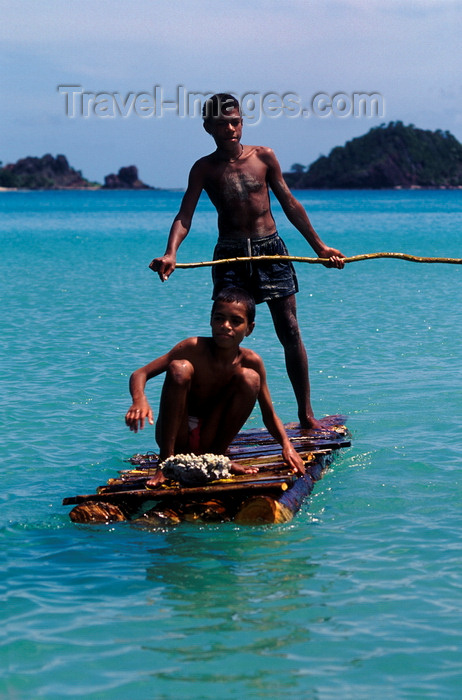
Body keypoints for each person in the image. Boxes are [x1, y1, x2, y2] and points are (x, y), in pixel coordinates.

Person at [150, 93, 345, 431]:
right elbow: (185, 215)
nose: (231, 128)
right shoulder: (204, 168)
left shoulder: (264, 157)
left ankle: (305, 415)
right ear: (208, 127)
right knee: (225, 339)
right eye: (223, 123)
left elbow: (290, 203)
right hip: (231, 256)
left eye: (236, 121)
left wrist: (319, 247)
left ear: (242, 122)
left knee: (290, 331)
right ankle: (211, 419)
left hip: (271, 252)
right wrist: (171, 253)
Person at [125, 287, 305, 483]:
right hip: (178, 434)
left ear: (249, 328)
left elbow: (268, 413)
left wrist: (287, 445)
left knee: (251, 378)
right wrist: (139, 400)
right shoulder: (191, 348)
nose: (226, 325)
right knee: (180, 367)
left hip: (212, 437)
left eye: (236, 321)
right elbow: (140, 373)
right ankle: (165, 462)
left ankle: (218, 459)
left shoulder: (252, 361)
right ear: (211, 321)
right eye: (219, 318)